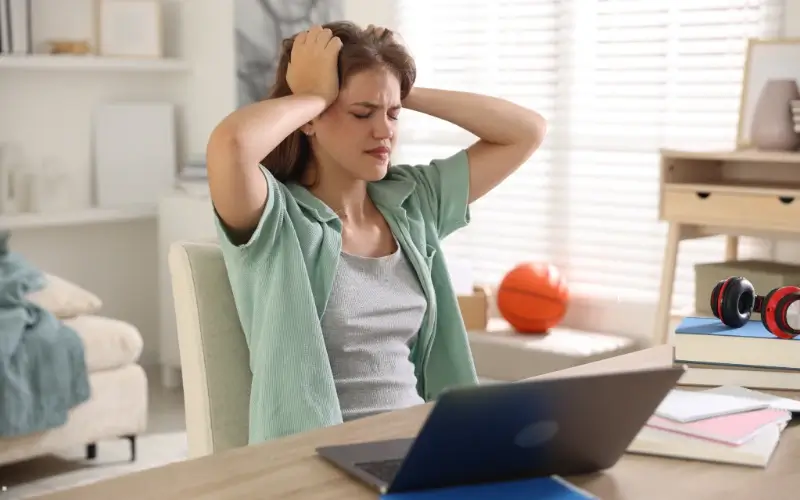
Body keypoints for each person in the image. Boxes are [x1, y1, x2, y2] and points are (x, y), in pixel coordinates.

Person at [206, 21, 547, 445]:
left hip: (424, 444)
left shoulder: (412, 203)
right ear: (310, 121)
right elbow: (230, 146)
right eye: (362, 113)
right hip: (319, 464)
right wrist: (312, 95)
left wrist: (397, 85)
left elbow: (525, 132)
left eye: (393, 114)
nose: (384, 130)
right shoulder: (276, 219)